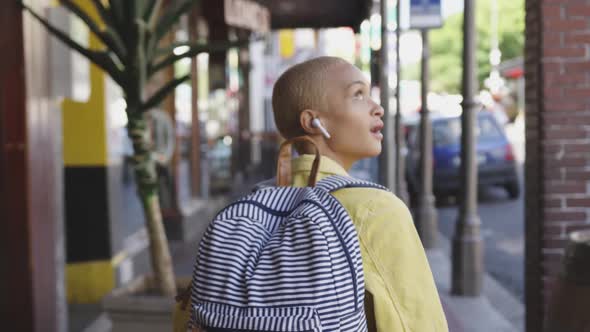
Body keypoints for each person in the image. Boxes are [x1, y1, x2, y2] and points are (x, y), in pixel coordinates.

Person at [271, 56, 448, 331]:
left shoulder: (259, 202)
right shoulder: (375, 209)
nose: (377, 108)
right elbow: (415, 323)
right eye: (358, 95)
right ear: (313, 121)